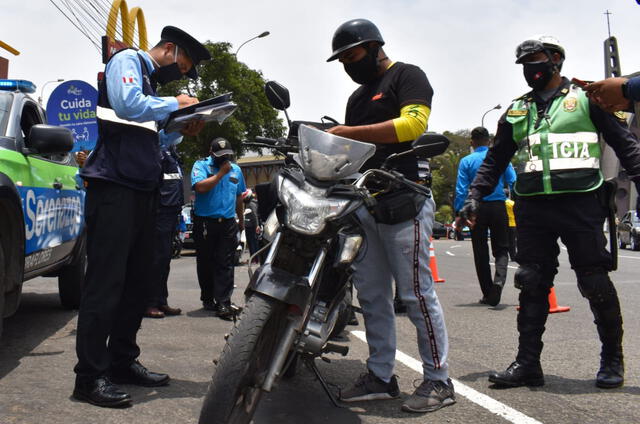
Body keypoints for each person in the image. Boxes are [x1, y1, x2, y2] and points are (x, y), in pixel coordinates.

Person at [460, 35, 640, 390]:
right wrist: (474, 196)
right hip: (533, 207)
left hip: (581, 202)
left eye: (536, 59)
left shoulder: (588, 100)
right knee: (530, 281)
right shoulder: (516, 109)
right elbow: (496, 159)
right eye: (525, 63)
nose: (531, 68)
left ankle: (611, 360)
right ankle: (528, 364)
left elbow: (626, 145)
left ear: (556, 59)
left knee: (594, 279)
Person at [73, 26, 210, 408]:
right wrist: (176, 104)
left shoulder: (151, 84)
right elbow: (128, 104)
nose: (182, 76)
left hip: (142, 187)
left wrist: (182, 126)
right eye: (183, 66)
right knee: (106, 283)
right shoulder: (127, 60)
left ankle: (121, 361)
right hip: (113, 186)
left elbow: (151, 134)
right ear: (169, 49)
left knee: (138, 282)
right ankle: (89, 377)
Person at [326, 19, 455, 413]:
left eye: (353, 55)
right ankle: (381, 376)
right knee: (372, 296)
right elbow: (352, 152)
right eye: (343, 59)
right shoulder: (356, 98)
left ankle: (439, 380)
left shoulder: (408, 76)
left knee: (416, 295)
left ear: (374, 46)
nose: (349, 63)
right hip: (366, 206)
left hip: (405, 201)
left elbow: (413, 124)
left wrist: (348, 133)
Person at [455, 126, 515, 306]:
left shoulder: (466, 161)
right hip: (498, 206)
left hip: (476, 208)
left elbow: (461, 190)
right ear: (489, 141)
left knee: (480, 251)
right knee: (502, 248)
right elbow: (513, 180)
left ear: (472, 143)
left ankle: (488, 293)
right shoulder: (500, 157)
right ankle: (499, 282)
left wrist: (459, 212)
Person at [191, 138, 246, 319]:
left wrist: (241, 219)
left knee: (225, 262)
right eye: (219, 156)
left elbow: (239, 197)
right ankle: (208, 298)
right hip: (206, 222)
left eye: (226, 155)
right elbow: (199, 187)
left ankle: (224, 302)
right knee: (206, 262)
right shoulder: (201, 166)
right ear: (211, 153)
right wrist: (220, 174)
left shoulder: (236, 170)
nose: (224, 159)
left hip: (228, 222)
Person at [144, 144, 184, 319]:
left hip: (171, 210)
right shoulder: (157, 147)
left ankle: (161, 300)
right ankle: (149, 303)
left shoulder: (171, 150)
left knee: (165, 260)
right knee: (156, 259)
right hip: (160, 210)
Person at [242, 188, 261, 263]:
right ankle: (253, 258)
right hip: (249, 226)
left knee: (252, 243)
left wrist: (257, 226)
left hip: (251, 227)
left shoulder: (251, 204)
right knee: (252, 243)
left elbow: (254, 215)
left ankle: (254, 259)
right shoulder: (250, 203)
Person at [505, 196, 517, 261]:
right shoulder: (512, 203)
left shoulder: (502, 203)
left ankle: (505, 256)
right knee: (512, 241)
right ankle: (513, 256)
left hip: (505, 224)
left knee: (505, 241)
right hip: (513, 224)